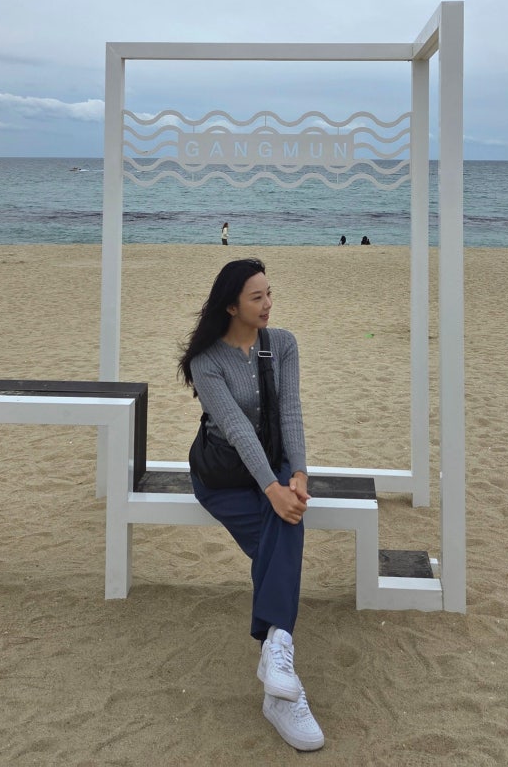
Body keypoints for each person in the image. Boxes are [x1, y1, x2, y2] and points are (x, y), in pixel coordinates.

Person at [178, 258, 325, 752]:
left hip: (274, 466)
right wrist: (273, 489)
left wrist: (298, 475)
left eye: (269, 294)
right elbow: (238, 430)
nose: (267, 304)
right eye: (256, 297)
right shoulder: (207, 362)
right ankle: (280, 670)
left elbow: (291, 411)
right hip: (222, 479)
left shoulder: (282, 344)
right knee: (284, 528)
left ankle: (277, 654)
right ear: (231, 306)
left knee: (288, 516)